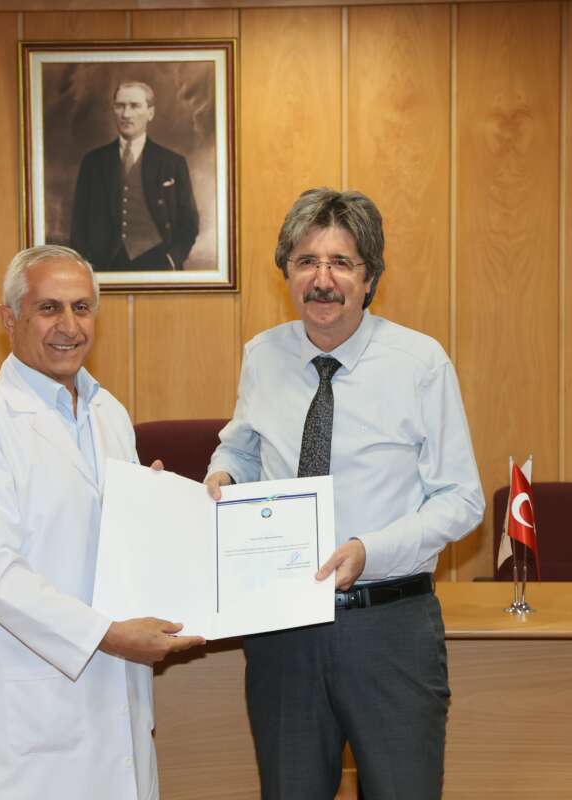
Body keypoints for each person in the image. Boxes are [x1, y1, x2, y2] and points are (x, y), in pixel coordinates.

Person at [204, 189, 484, 799]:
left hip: (388, 625)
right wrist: (223, 479)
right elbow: (241, 449)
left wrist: (367, 550)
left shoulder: (419, 363)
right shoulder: (263, 356)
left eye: (341, 263)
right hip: (282, 627)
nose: (322, 280)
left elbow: (461, 499)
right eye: (306, 261)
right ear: (287, 273)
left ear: (370, 277)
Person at [0, 244, 203, 799]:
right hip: (27, 710)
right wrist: (106, 635)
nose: (69, 326)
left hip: (112, 696)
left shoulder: (109, 413)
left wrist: (157, 510)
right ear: (10, 319)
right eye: (49, 308)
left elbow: (107, 541)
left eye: (82, 308)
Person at [70, 81, 199, 272]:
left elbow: (189, 222)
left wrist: (173, 259)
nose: (126, 114)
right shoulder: (93, 162)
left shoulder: (172, 163)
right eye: (120, 106)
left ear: (150, 113)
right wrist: (87, 264)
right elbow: (79, 223)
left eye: (135, 106)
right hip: (105, 266)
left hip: (158, 264)